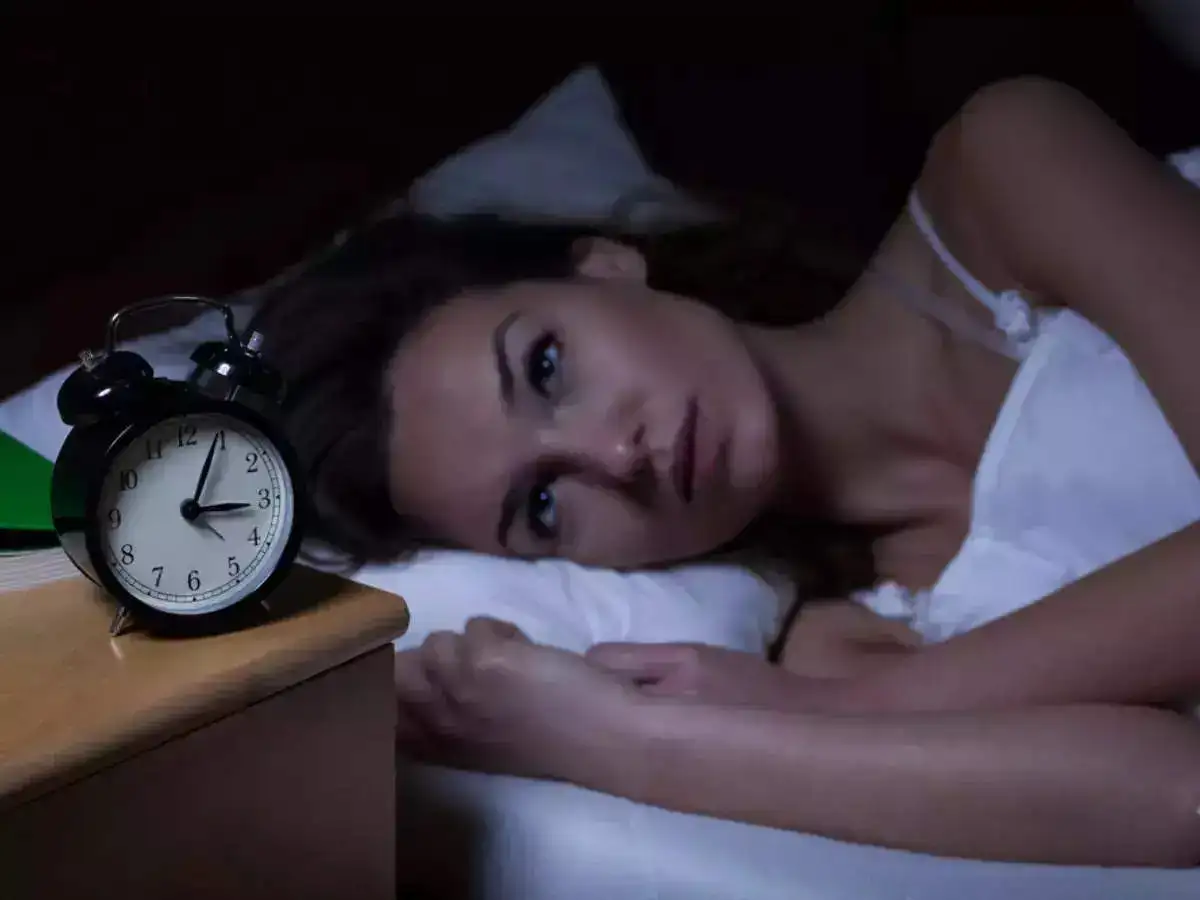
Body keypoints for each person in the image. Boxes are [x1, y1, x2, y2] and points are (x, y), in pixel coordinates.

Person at [251, 77, 1200, 867]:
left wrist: (874, 707)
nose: (616, 457)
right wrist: (623, 743)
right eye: (543, 505)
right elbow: (1176, 798)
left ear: (607, 265)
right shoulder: (842, 645)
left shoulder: (1003, 176)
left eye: (546, 367)